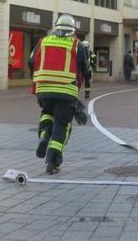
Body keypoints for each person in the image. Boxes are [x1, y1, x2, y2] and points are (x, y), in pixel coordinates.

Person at [29, 14, 91, 174]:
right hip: (66, 91)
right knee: (63, 124)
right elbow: (86, 67)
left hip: (43, 90)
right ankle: (51, 159)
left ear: (56, 28)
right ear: (71, 30)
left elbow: (31, 61)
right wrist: (86, 80)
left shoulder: (43, 41)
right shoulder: (76, 45)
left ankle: (44, 135)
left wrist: (37, 78)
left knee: (47, 114)